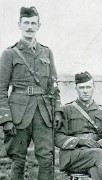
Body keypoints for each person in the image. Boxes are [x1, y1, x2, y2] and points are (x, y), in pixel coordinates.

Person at [0, 6, 61, 180]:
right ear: (19, 24)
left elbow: (53, 85)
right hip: (18, 113)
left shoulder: (46, 52)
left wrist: (57, 110)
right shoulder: (9, 53)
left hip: (43, 113)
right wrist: (6, 119)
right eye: (26, 23)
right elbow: (1, 89)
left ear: (38, 26)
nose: (29, 27)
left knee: (47, 158)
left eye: (33, 23)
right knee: (18, 159)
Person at [55, 71, 102, 180]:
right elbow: (57, 136)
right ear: (76, 89)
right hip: (74, 156)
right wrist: (80, 141)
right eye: (81, 88)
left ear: (94, 88)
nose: (85, 91)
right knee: (98, 155)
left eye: (88, 87)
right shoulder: (66, 110)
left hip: (97, 153)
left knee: (96, 170)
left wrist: (99, 144)